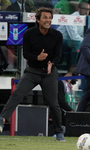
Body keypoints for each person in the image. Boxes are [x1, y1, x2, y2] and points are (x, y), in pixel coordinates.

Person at [0, 7, 65, 141]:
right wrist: (37, 58)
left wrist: (51, 63)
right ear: (38, 19)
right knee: (17, 94)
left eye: (50, 18)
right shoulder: (29, 33)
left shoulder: (57, 35)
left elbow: (58, 55)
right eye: (45, 18)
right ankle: (2, 119)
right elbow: (25, 54)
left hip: (49, 72)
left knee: (53, 103)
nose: (48, 20)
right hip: (32, 71)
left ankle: (59, 132)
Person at [57, 1, 90, 70]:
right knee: (77, 43)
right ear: (79, 9)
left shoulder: (86, 19)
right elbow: (73, 37)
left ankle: (84, 67)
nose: (86, 11)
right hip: (59, 40)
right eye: (84, 9)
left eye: (88, 10)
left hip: (69, 41)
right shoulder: (72, 18)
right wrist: (85, 41)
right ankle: (73, 67)